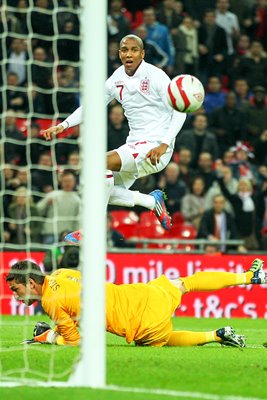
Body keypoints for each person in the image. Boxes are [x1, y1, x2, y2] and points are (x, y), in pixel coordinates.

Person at [41, 34, 187, 242]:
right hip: (134, 146)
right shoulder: (117, 78)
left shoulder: (157, 76)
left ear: (142, 53)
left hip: (155, 147)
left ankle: (91, 229)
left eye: (134, 50)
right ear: (119, 53)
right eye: (124, 50)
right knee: (100, 186)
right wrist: (64, 125)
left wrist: (164, 144)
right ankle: (150, 201)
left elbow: (180, 111)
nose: (129, 54)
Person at [6, 258, 266, 346]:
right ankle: (248, 276)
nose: (17, 297)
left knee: (160, 338)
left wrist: (46, 337)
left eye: (17, 290)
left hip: (137, 322)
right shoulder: (62, 273)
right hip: (139, 295)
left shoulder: (50, 302)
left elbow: (76, 343)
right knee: (185, 283)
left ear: (30, 283)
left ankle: (216, 335)